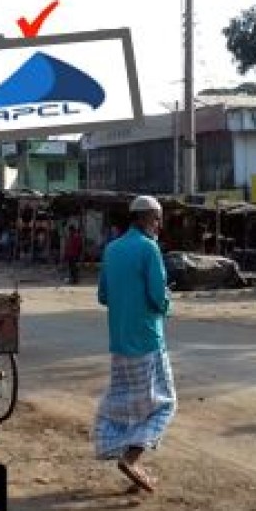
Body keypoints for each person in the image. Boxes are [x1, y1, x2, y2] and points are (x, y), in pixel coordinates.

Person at [94, 195, 176, 493]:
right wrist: (167, 303)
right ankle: (131, 459)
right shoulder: (148, 248)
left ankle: (133, 465)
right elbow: (158, 297)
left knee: (132, 404)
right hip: (147, 340)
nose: (159, 224)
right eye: (156, 218)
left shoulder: (112, 249)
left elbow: (102, 296)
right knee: (165, 404)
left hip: (119, 342)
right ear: (142, 218)